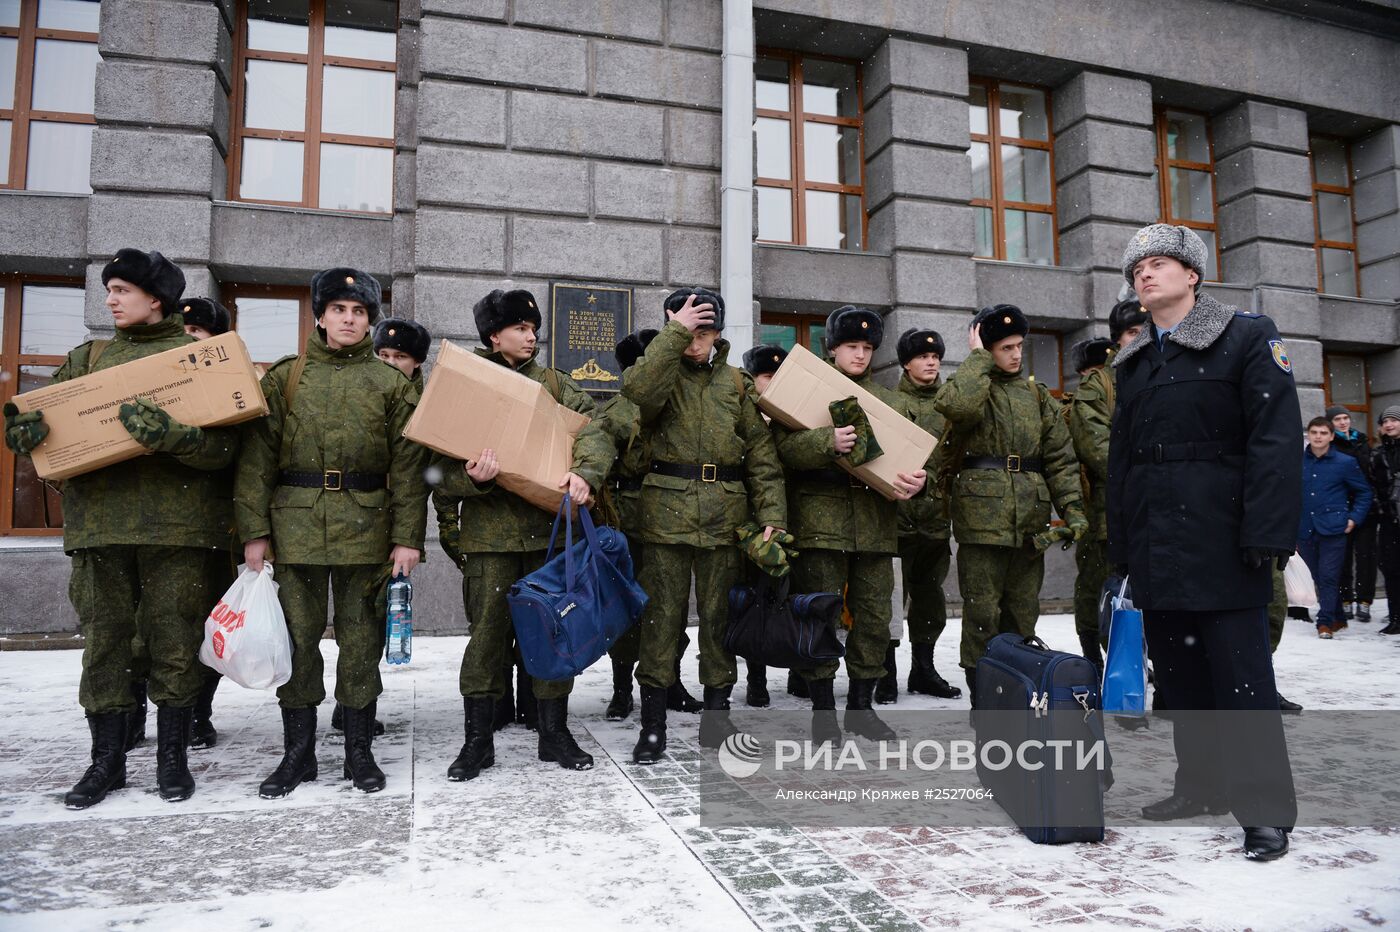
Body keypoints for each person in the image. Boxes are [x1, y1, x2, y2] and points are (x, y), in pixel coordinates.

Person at [3, 249, 240, 808]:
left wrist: (174, 436)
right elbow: (39, 426)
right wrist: (25, 433)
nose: (109, 300)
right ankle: (106, 763)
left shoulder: (195, 358)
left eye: (121, 290)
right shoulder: (86, 360)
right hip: (99, 529)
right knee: (105, 646)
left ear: (155, 299)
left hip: (177, 529)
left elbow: (228, 450)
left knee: (174, 643)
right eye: (109, 289)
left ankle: (172, 759)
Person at [1108, 222, 1302, 861]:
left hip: (1223, 535)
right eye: (1138, 267)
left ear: (1192, 274)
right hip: (1158, 540)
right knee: (1183, 680)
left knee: (1242, 682)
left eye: (1160, 263)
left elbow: (1274, 437)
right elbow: (1123, 461)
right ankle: (1199, 786)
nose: (1145, 274)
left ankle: (1265, 811)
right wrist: (1122, 549)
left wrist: (1268, 529)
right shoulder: (1136, 359)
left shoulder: (1246, 336)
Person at [236, 268, 428, 798]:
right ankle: (297, 754)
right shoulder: (285, 378)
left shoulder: (391, 383)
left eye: (359, 311)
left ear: (370, 319)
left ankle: (358, 753)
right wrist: (254, 532)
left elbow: (410, 470)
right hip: (293, 529)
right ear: (320, 315)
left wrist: (408, 537)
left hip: (367, 529)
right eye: (339, 309)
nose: (349, 319)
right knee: (296, 642)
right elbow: (257, 461)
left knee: (362, 642)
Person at [611, 288, 786, 763]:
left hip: (725, 516)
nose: (695, 342)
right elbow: (637, 390)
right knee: (661, 622)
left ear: (719, 335)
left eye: (704, 333)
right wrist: (673, 332)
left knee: (718, 621)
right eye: (689, 332)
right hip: (665, 516)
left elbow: (763, 457)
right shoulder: (660, 374)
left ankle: (716, 715)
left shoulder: (737, 383)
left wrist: (771, 517)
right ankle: (652, 726)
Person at [433, 288, 597, 782]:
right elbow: (437, 470)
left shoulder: (555, 385)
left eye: (533, 329)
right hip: (488, 540)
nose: (531, 337)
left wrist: (586, 469)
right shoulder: (467, 386)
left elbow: (597, 427)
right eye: (520, 329)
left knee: (551, 633)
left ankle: (554, 735)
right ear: (493, 335)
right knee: (485, 639)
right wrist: (473, 479)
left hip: (547, 537)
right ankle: (477, 742)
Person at [774, 306, 926, 743]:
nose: (860, 355)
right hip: (822, 523)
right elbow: (782, 451)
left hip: (876, 526)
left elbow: (912, 461)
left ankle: (861, 707)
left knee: (876, 619)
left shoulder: (891, 402)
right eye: (851, 346)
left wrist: (921, 481)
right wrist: (827, 441)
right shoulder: (808, 388)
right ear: (833, 349)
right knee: (820, 617)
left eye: (866, 348)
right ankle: (823, 711)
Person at [934, 304, 1087, 705]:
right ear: (988, 349)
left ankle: (1017, 688)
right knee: (982, 611)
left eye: (1019, 345)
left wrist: (1072, 509)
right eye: (1005, 347)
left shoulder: (1036, 396)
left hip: (1029, 520)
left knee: (1022, 611)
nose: (1016, 354)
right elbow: (956, 407)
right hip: (982, 518)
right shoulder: (972, 386)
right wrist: (977, 360)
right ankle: (981, 694)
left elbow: (1060, 458)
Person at [571, 328, 705, 721]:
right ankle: (621, 688)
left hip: (674, 518)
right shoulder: (619, 410)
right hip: (630, 524)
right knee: (628, 611)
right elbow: (597, 446)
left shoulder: (681, 406)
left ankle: (670, 682)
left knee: (671, 609)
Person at [892, 328, 961, 702]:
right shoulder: (890, 402)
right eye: (921, 357)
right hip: (895, 520)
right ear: (906, 362)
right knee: (888, 602)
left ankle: (923, 669)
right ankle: (885, 671)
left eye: (935, 357)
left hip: (934, 519)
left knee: (930, 600)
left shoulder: (949, 406)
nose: (931, 362)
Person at [739, 343, 789, 708]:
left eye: (778, 378)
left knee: (785, 599)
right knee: (751, 601)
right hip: (746, 523)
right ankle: (756, 677)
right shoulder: (742, 414)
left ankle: (799, 671)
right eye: (768, 377)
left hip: (786, 519)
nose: (773, 385)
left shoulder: (793, 416)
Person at [1067, 334, 1117, 675]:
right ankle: (1093, 657)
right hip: (1093, 514)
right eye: (1092, 372)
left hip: (1119, 512)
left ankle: (1122, 656)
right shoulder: (1080, 405)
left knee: (1117, 592)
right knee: (1093, 588)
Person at [1297, 417, 1372, 639]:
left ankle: (1325, 622)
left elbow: (1364, 492)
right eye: (1314, 432)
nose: (1318, 437)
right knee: (1320, 578)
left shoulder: (1345, 462)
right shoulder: (1297, 461)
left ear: (1331, 436)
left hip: (1335, 528)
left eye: (1323, 433)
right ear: (1308, 435)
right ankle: (1339, 616)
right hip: (1305, 529)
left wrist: (1354, 518)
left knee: (1328, 576)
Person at [1328, 404, 1377, 624]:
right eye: (1337, 419)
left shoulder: (1361, 441)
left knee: (1366, 558)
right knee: (1343, 559)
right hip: (1340, 507)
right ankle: (1345, 599)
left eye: (1345, 418)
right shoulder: (1331, 445)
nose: (1343, 422)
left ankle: (1364, 601)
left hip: (1365, 508)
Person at [1368, 406, 1400, 635]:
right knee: (1391, 569)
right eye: (1385, 421)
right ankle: (1396, 617)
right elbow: (1373, 485)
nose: (1389, 424)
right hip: (1389, 520)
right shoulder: (1378, 454)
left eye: (1394, 420)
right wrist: (1382, 509)